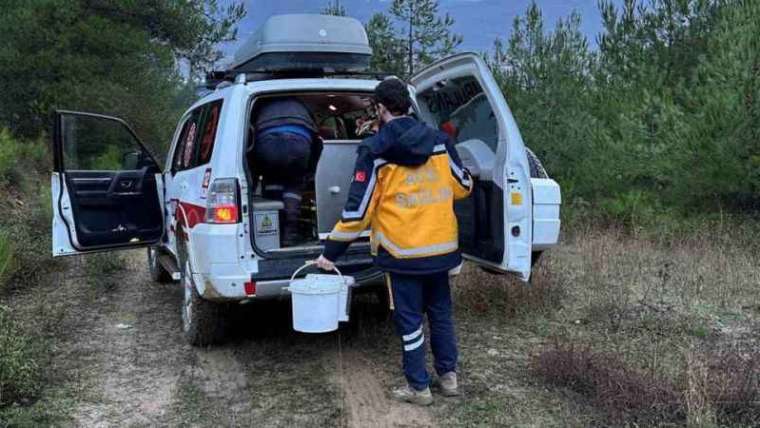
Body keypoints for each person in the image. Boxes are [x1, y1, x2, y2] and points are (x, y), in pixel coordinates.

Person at [315, 78, 474, 406]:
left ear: (381, 109)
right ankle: (449, 378)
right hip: (441, 249)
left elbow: (357, 213)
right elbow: (463, 187)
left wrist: (330, 253)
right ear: (409, 105)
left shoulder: (374, 150)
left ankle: (419, 388)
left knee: (409, 318)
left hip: (402, 253)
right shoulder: (440, 142)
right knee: (441, 313)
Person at [252, 97, 321, 246]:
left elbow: (250, 138)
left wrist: (254, 177)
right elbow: (317, 142)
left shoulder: (261, 102)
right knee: (294, 184)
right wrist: (309, 172)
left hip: (267, 143)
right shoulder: (303, 104)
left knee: (271, 179)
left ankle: (273, 230)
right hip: (299, 143)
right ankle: (290, 233)